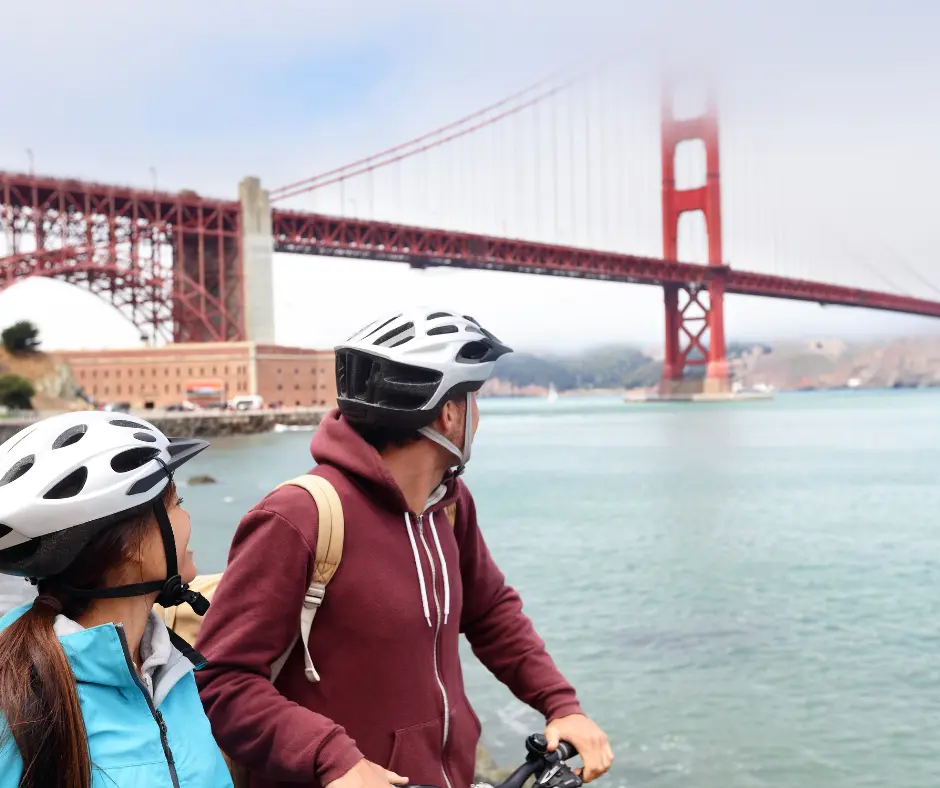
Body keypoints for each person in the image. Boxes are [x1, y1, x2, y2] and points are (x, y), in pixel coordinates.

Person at [195, 309, 614, 788]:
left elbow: (491, 612)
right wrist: (330, 756)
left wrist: (560, 704)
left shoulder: (449, 505)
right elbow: (220, 681)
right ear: (449, 414)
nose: (477, 417)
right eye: (472, 399)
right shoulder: (297, 517)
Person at [0, 411, 233, 788]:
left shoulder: (168, 666)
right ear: (130, 547)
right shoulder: (16, 698)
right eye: (177, 503)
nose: (188, 517)